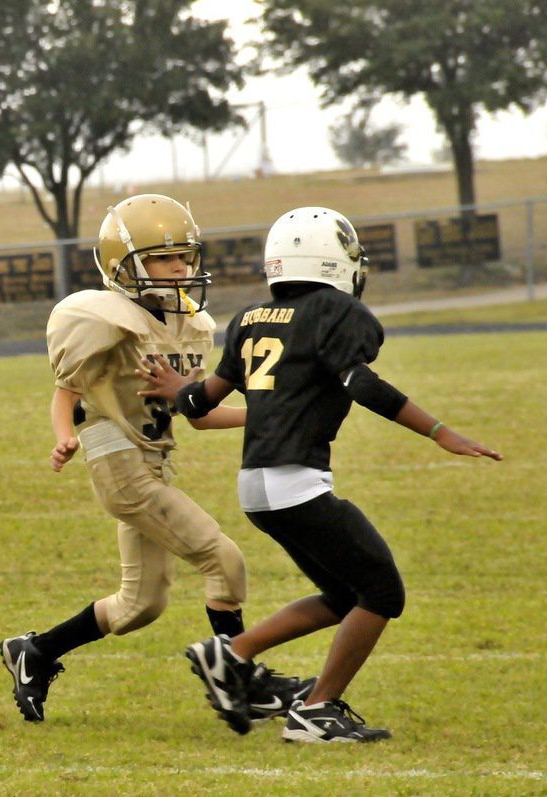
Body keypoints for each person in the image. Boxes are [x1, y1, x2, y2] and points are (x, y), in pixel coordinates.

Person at [141, 206, 503, 742]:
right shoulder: (337, 312)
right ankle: (316, 711)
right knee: (382, 593)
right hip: (296, 482)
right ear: (334, 260)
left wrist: (177, 389)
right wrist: (439, 431)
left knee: (343, 595)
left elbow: (199, 403)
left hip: (256, 487)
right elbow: (362, 384)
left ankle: (232, 655)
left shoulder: (252, 318)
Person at [0, 194, 311, 722]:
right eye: (166, 259)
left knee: (141, 604)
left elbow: (199, 413)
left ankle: (35, 652)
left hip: (155, 461)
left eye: (185, 257)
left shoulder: (189, 323)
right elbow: (65, 391)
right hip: (119, 464)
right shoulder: (102, 319)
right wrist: (63, 435)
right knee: (223, 559)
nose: (182, 269)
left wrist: (268, 416)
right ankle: (238, 678)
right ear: (126, 266)